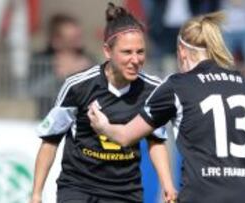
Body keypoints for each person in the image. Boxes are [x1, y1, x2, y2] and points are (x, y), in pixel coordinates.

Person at [89, 12, 245, 203]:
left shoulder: (178, 86)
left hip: (204, 195)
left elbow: (126, 136)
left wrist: (103, 126)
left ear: (182, 50)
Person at [30, 3, 176, 203]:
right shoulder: (78, 86)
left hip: (124, 192)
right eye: (127, 52)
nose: (135, 59)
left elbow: (156, 141)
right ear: (108, 51)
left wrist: (167, 185)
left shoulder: (152, 90)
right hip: (78, 188)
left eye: (140, 52)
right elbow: (50, 141)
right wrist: (36, 194)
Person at [28, 14, 94, 118]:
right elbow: (30, 91)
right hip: (49, 120)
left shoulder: (90, 61)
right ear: (56, 41)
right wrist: (58, 76)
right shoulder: (42, 61)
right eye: (72, 40)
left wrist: (87, 73)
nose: (78, 43)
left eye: (79, 37)